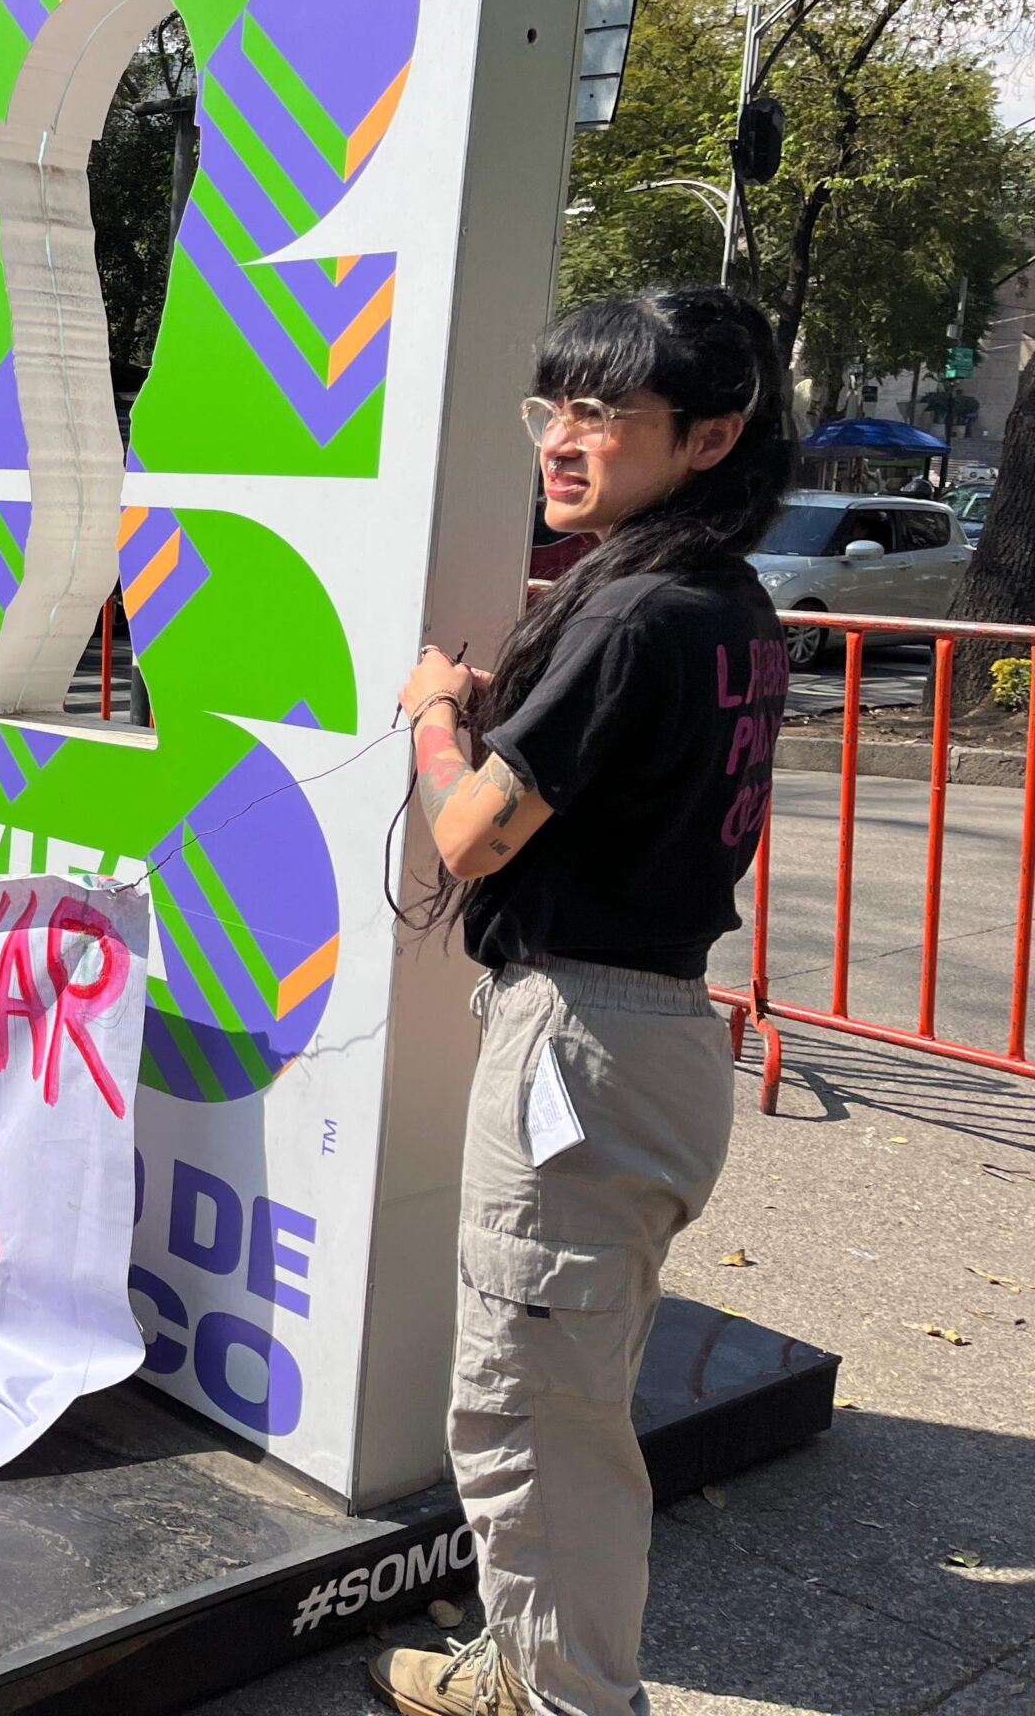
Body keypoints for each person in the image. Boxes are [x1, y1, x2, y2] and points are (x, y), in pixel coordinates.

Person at [374, 289, 791, 1716]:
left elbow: (469, 835)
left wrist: (436, 711)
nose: (564, 438)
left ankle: (561, 1699)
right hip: (651, 1042)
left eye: (604, 411)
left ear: (711, 433)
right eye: (555, 405)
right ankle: (525, 1664)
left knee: (530, 1418)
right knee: (563, 1394)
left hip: (586, 1049)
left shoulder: (637, 611)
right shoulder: (724, 598)